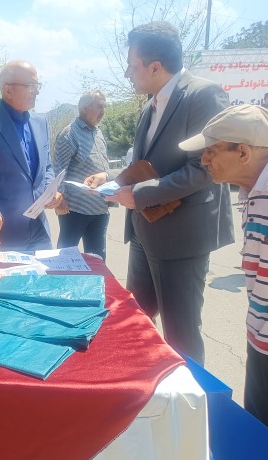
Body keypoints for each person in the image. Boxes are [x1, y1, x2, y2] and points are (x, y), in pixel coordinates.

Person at [89, 21, 234, 365]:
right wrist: (111, 177)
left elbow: (205, 169)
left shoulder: (204, 96)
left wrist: (139, 194)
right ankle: (145, 390)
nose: (127, 73)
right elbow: (145, 164)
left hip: (181, 238)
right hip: (144, 232)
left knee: (181, 336)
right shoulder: (149, 106)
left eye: (132, 65)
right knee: (137, 324)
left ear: (155, 67)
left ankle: (191, 398)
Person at [178, 104, 268, 426]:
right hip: (259, 336)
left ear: (242, 152)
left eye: (211, 151)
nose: (203, 160)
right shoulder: (251, 191)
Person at [0, 60, 61, 251]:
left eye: (37, 85)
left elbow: (47, 166)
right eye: (31, 85)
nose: (37, 91)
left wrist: (51, 192)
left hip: (39, 229)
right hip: (0, 232)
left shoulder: (41, 122)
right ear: (8, 90)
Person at [53, 90, 112, 260]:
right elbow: (59, 169)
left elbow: (103, 165)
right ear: (85, 108)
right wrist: (59, 199)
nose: (103, 111)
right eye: (99, 106)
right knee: (65, 258)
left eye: (104, 107)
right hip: (74, 210)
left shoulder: (98, 132)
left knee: (97, 260)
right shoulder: (69, 134)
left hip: (100, 210)